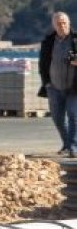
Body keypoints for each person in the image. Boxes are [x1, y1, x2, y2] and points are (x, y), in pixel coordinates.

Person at [38, 11, 77, 157]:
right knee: (58, 118)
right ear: (54, 25)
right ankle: (67, 144)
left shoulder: (75, 39)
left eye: (64, 23)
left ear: (69, 23)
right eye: (58, 23)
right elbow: (43, 64)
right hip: (54, 87)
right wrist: (46, 83)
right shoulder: (48, 42)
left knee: (74, 115)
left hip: (74, 87)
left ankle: (73, 147)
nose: (62, 26)